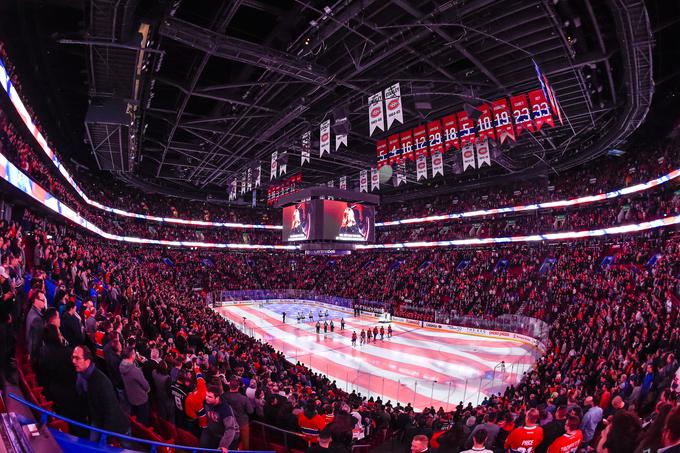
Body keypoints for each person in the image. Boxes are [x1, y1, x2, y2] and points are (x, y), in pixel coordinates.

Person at [71, 345, 130, 437]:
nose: (73, 361)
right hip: (97, 420)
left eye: (77, 358)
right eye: (73, 357)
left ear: (87, 361)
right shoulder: (81, 376)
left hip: (118, 429)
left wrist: (105, 437)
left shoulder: (102, 382)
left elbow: (111, 411)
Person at [201, 384, 239, 451]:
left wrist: (224, 445)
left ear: (217, 398)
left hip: (230, 437)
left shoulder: (225, 410)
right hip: (215, 433)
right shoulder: (206, 402)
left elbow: (230, 429)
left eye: (210, 396)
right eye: (206, 395)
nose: (206, 398)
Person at [119, 346, 151, 425]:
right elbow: (146, 385)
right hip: (141, 399)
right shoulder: (134, 370)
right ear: (132, 355)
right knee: (143, 420)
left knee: (136, 417)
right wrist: (147, 389)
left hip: (131, 397)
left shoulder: (121, 365)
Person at [222, 378, 254, 450]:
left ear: (229, 386)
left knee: (230, 442)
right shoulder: (244, 398)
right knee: (245, 443)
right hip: (242, 423)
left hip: (229, 423)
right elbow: (250, 411)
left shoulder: (224, 396)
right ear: (238, 387)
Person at [26, 290, 46, 360]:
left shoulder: (31, 311)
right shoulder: (37, 319)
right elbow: (36, 343)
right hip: (35, 357)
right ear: (36, 300)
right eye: (42, 300)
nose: (44, 303)